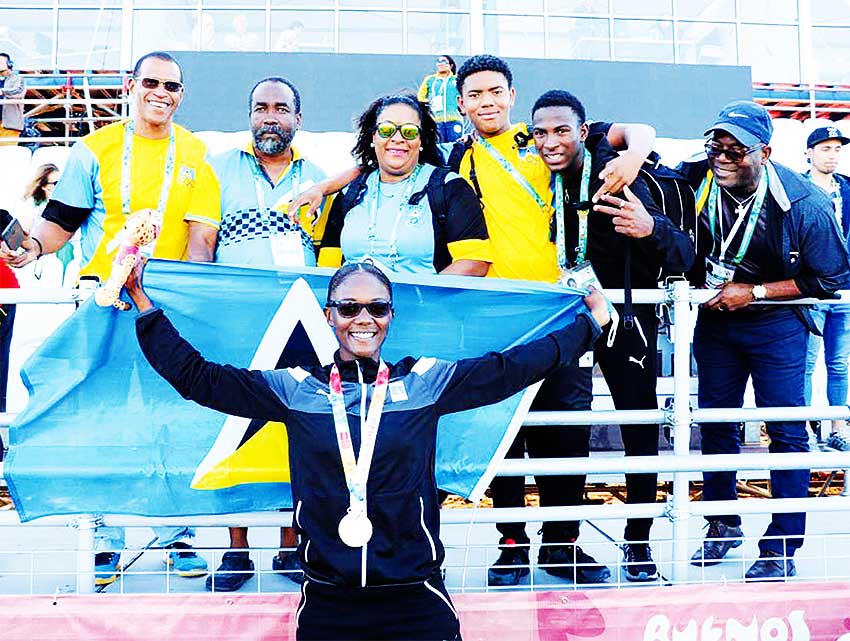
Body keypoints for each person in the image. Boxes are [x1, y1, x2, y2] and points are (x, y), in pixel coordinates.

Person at [125, 258, 611, 641]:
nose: (363, 318)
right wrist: (146, 308)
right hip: (328, 600)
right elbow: (198, 379)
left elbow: (513, 368)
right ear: (328, 315)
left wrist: (589, 325)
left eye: (377, 308)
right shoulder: (296, 390)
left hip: (415, 597)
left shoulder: (425, 382)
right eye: (349, 307)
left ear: (391, 316)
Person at [0, 51, 220, 586]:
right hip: (100, 303)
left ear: (182, 94)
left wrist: (185, 300)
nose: (161, 93)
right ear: (130, 85)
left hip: (160, 308)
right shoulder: (92, 150)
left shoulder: (195, 150)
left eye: (172, 85)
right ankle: (104, 538)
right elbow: (62, 223)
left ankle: (175, 533)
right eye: (151, 82)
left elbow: (202, 238)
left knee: (169, 413)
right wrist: (30, 249)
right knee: (100, 418)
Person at [451, 54, 659, 586]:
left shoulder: (547, 135)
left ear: (512, 95)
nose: (487, 102)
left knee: (565, 429)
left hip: (563, 309)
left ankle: (562, 544)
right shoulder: (459, 157)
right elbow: (381, 152)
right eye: (475, 95)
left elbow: (639, 129)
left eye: (495, 92)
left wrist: (634, 156)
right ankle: (513, 546)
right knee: (506, 434)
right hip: (500, 313)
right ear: (461, 103)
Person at [679, 101, 850, 580]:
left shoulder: (805, 204)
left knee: (787, 433)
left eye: (738, 149)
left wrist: (754, 292)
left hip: (779, 325)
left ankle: (782, 544)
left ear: (766, 152)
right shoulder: (695, 178)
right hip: (716, 323)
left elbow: (832, 277)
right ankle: (722, 523)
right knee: (716, 425)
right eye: (717, 146)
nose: (724, 157)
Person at [529, 89, 695, 582]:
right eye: (541, 132)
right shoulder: (528, 163)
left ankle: (638, 542)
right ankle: (560, 543)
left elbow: (686, 256)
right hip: (563, 316)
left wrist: (651, 229)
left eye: (562, 131)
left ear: (583, 131)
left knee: (640, 430)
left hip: (627, 319)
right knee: (559, 430)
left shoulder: (613, 169)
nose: (550, 141)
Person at [204, 76, 332, 592]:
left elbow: (329, 255)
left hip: (297, 328)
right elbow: (201, 242)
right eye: (261, 107)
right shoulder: (216, 171)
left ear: (298, 119)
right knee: (232, 432)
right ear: (249, 115)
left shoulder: (319, 177)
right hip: (234, 323)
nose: (270, 116)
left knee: (295, 430)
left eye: (282, 108)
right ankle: (236, 551)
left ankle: (289, 545)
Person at [317, 93, 490, 276]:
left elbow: (474, 261)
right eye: (386, 130)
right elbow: (328, 265)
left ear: (421, 140)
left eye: (409, 131)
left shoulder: (450, 187)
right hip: (356, 303)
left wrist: (423, 300)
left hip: (424, 302)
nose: (398, 138)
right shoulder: (349, 192)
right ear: (373, 137)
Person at [802, 126, 850, 446]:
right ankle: (801, 428)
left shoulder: (846, 188)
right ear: (809, 152)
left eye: (836, 149)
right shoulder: (798, 187)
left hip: (845, 287)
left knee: (840, 362)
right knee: (804, 361)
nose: (832, 155)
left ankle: (837, 427)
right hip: (809, 286)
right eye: (825, 149)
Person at [418, 55, 463, 143]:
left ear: (451, 65)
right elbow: (421, 96)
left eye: (444, 62)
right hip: (436, 120)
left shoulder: (457, 80)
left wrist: (463, 108)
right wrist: (428, 105)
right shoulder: (430, 80)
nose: (441, 64)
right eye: (438, 62)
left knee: (456, 144)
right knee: (439, 145)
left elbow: (464, 95)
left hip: (454, 119)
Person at [0, 52, 24, 144]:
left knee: (7, 154)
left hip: (9, 125)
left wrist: (3, 92)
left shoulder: (17, 79)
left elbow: (18, 91)